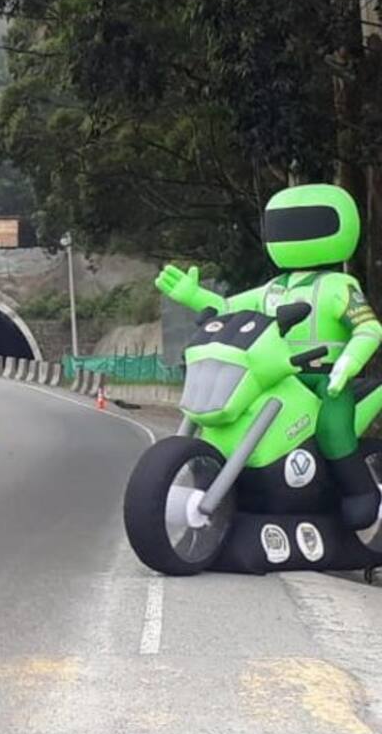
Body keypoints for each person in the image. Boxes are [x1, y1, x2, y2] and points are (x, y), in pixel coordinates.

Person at [157, 183, 382, 528]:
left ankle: (361, 492)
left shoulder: (340, 286)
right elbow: (228, 309)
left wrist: (348, 365)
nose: (292, 231)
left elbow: (368, 328)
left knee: (333, 427)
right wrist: (193, 295)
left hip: (326, 378)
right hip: (275, 373)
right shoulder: (274, 288)